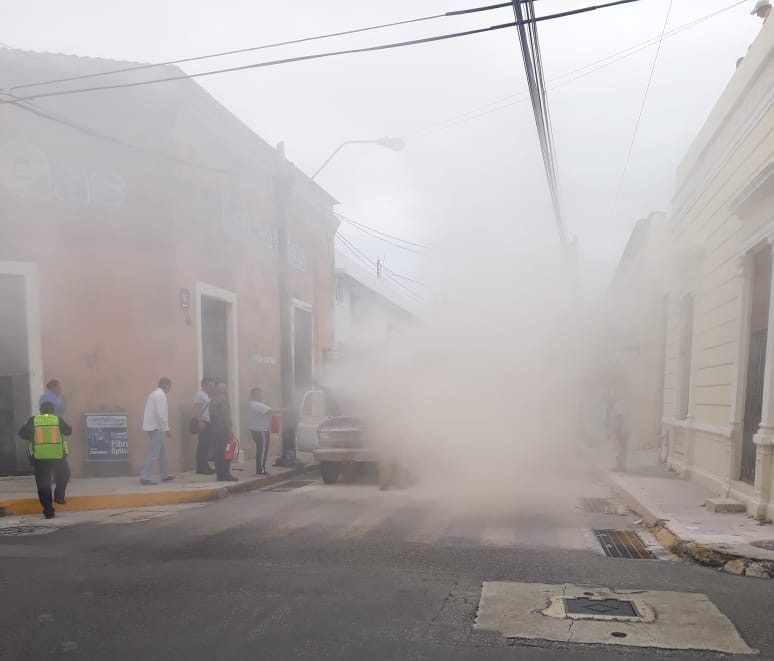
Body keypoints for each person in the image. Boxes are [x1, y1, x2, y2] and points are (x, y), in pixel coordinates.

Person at [18, 401, 72, 519]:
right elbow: (68, 431)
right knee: (64, 473)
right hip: (58, 457)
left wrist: (33, 436)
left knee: (43, 483)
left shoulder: (34, 420)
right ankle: (59, 495)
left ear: (41, 410)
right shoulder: (57, 420)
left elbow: (21, 433)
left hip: (40, 458)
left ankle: (48, 510)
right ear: (52, 411)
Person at [140, 378, 176, 485]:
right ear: (166, 385)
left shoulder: (155, 394)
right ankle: (145, 477)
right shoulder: (160, 395)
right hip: (156, 428)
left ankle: (164, 475)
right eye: (170, 386)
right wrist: (166, 429)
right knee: (153, 453)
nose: (170, 388)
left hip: (153, 427)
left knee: (162, 453)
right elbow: (161, 414)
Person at [210, 381, 237, 482]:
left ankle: (219, 474)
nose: (227, 390)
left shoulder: (212, 400)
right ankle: (226, 474)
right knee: (227, 451)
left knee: (217, 453)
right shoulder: (223, 400)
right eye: (225, 388)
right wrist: (230, 430)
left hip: (214, 430)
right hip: (223, 430)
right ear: (222, 390)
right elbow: (226, 417)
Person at [193, 377, 215, 475]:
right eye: (211, 384)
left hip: (208, 422)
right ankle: (201, 467)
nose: (212, 386)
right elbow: (196, 408)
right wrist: (200, 421)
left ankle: (205, 466)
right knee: (202, 445)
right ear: (205, 384)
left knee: (206, 446)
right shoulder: (199, 394)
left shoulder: (207, 395)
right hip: (203, 422)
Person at [249, 387, 272, 476]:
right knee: (262, 450)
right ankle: (260, 470)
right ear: (255, 395)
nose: (261, 395)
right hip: (261, 430)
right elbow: (270, 410)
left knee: (261, 449)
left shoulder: (255, 404)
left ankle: (261, 468)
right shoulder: (256, 404)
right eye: (259, 393)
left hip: (259, 430)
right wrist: (286, 410)